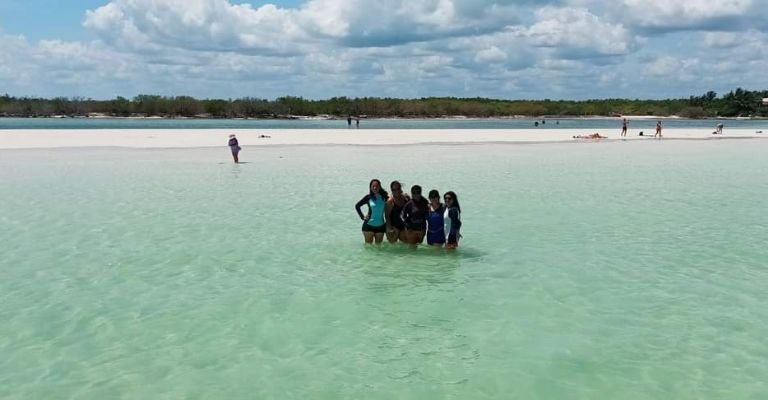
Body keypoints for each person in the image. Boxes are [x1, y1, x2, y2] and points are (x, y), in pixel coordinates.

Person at [355, 179, 389, 244]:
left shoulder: (384, 197)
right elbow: (357, 206)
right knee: (369, 248)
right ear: (370, 187)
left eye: (376, 186)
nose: (375, 188)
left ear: (380, 187)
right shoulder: (368, 197)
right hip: (368, 226)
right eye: (373, 186)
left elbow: (393, 200)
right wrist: (362, 217)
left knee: (379, 248)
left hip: (381, 227)